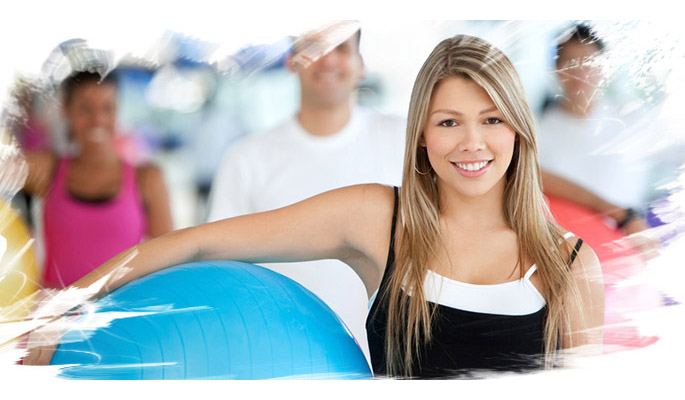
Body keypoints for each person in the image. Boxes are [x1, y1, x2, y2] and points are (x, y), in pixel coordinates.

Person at [24, 34, 603, 379]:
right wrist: (66, 305)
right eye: (449, 122)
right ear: (423, 137)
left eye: (492, 119)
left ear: (519, 131)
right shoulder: (378, 219)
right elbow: (198, 242)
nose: (472, 142)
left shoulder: (571, 266)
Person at [206, 22, 405, 362]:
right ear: (292, 60)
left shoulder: (404, 141)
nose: (327, 60)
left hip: (390, 358)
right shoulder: (247, 157)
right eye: (314, 48)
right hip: (283, 360)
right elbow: (218, 270)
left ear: (361, 64)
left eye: (341, 48)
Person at [20, 69, 173, 288]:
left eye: (108, 108)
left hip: (121, 316)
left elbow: (169, 260)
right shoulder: (47, 169)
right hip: (57, 316)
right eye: (86, 108)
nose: (98, 119)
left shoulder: (147, 178)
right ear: (67, 110)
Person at [538, 24, 654, 246]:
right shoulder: (538, 133)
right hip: (565, 250)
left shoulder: (633, 119)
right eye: (569, 63)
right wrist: (620, 214)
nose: (579, 72)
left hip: (627, 246)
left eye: (588, 62)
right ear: (556, 68)